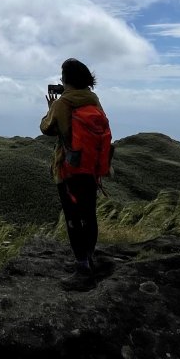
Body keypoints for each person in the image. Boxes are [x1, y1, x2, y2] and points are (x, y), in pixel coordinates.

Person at [40, 57, 109, 290]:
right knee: (89, 214)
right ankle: (89, 257)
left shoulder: (62, 103)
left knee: (72, 217)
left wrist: (52, 108)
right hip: (90, 168)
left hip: (69, 169)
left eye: (62, 78)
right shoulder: (93, 99)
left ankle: (82, 269)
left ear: (67, 80)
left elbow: (47, 128)